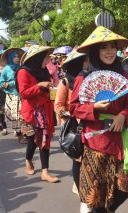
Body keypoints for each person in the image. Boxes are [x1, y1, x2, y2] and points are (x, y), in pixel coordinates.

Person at [70, 26, 128, 213]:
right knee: (97, 195)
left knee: (123, 189)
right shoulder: (84, 77)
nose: (109, 52)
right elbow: (74, 107)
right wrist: (94, 108)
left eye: (113, 47)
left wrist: (123, 116)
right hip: (95, 142)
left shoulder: (123, 76)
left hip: (119, 140)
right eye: (104, 47)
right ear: (94, 51)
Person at [16, 45, 59, 183]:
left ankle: (45, 172)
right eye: (46, 57)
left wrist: (50, 87)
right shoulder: (23, 72)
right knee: (32, 142)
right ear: (37, 58)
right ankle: (28, 159)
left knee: (45, 141)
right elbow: (23, 93)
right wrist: (39, 85)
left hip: (45, 110)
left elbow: (47, 87)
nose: (48, 60)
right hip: (31, 112)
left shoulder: (44, 70)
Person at [54, 49, 90, 212]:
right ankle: (81, 190)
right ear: (79, 63)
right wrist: (72, 114)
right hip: (73, 127)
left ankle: (88, 188)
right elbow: (59, 106)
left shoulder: (91, 79)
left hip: (90, 124)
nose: (89, 64)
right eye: (86, 61)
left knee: (89, 159)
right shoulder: (65, 83)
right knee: (78, 159)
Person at [0, 48, 24, 137]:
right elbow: (1, 83)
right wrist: (13, 83)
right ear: (10, 58)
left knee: (22, 114)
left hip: (21, 94)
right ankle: (18, 132)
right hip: (11, 95)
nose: (17, 58)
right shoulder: (6, 69)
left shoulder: (21, 67)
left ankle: (21, 131)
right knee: (14, 116)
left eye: (18, 56)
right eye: (14, 57)